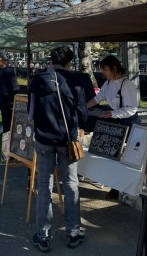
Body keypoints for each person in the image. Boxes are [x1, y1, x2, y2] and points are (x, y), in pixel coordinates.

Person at [28, 45, 88, 252]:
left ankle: (43, 235)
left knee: (44, 185)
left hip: (43, 139)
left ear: (51, 59)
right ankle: (73, 233)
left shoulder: (37, 80)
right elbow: (82, 114)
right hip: (66, 141)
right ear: (69, 62)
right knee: (71, 185)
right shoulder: (74, 81)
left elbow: (31, 111)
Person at [86, 54, 140, 199]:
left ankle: (126, 190)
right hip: (116, 121)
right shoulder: (108, 83)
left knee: (125, 157)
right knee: (112, 155)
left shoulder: (127, 85)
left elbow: (132, 108)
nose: (103, 73)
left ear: (114, 68)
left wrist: (113, 113)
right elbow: (98, 98)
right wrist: (84, 107)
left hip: (129, 123)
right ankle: (115, 187)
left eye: (105, 70)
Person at [0, 50, 20, 165]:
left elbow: (15, 88)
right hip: (5, 105)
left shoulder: (8, 71)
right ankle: (8, 155)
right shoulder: (5, 71)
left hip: (8, 106)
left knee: (7, 130)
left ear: (2, 59)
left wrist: (10, 103)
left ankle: (8, 156)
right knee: (7, 130)